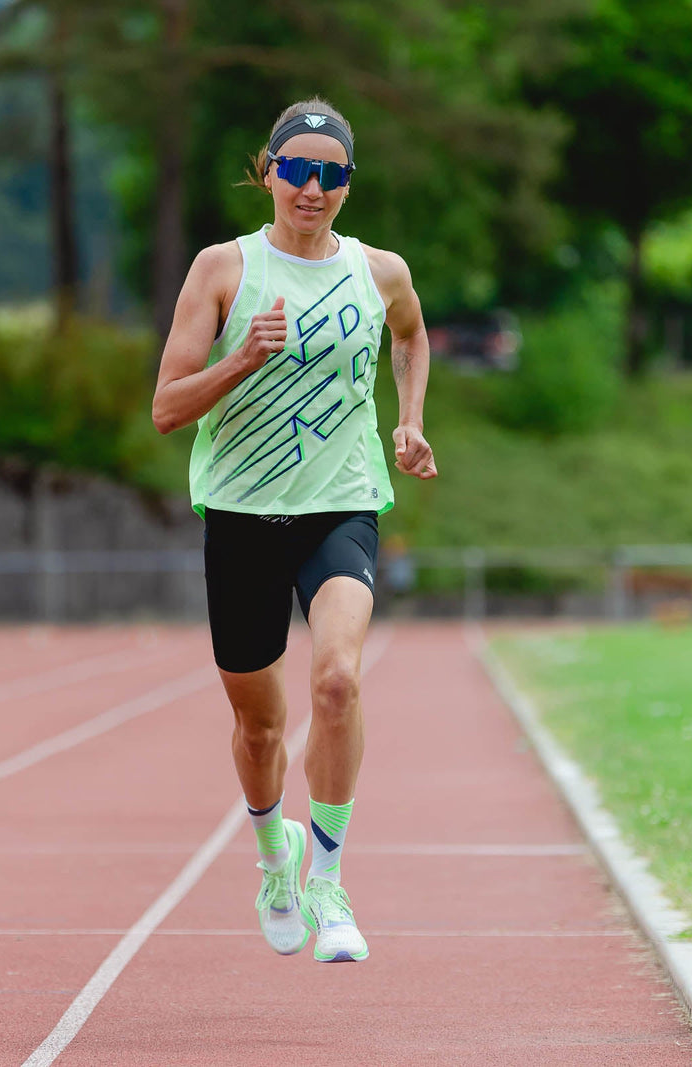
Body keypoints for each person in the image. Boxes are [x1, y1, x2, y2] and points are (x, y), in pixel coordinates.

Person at [150, 98, 437, 963]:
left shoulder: (378, 270)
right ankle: (274, 857)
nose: (313, 188)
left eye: (333, 173)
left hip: (340, 505)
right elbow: (166, 407)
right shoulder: (222, 269)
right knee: (261, 727)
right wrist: (241, 359)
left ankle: (329, 881)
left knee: (339, 682)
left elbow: (412, 335)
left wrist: (412, 419)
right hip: (241, 515)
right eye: (298, 170)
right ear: (269, 171)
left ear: (350, 183)